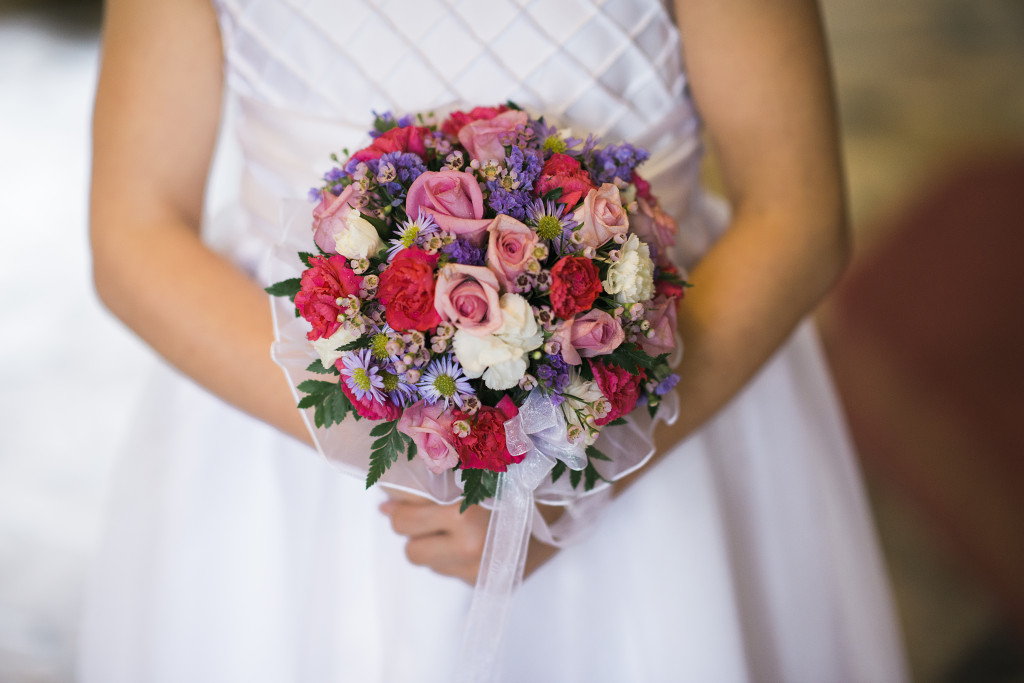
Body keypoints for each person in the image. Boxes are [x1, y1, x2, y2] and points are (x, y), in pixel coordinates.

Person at [81, 0, 909, 680]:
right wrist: (421, 447)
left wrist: (578, 477)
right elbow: (134, 229)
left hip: (654, 425)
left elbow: (796, 211)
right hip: (287, 441)